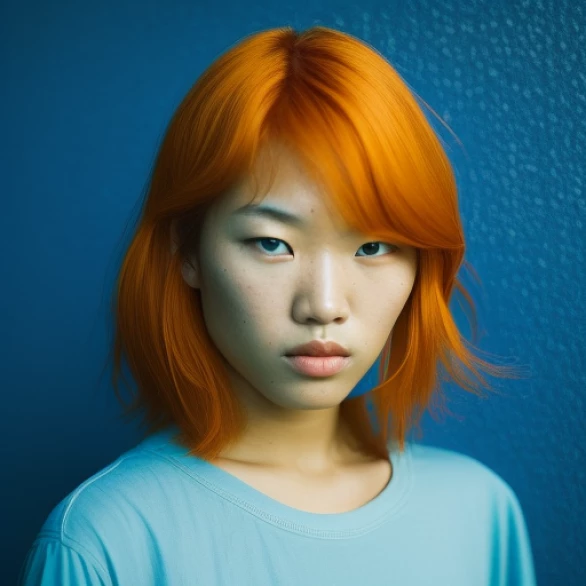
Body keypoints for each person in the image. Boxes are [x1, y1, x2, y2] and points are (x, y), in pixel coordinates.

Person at [19, 25, 537, 585]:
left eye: (373, 246)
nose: (325, 304)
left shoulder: (479, 512)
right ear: (187, 250)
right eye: (272, 244)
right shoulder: (104, 542)